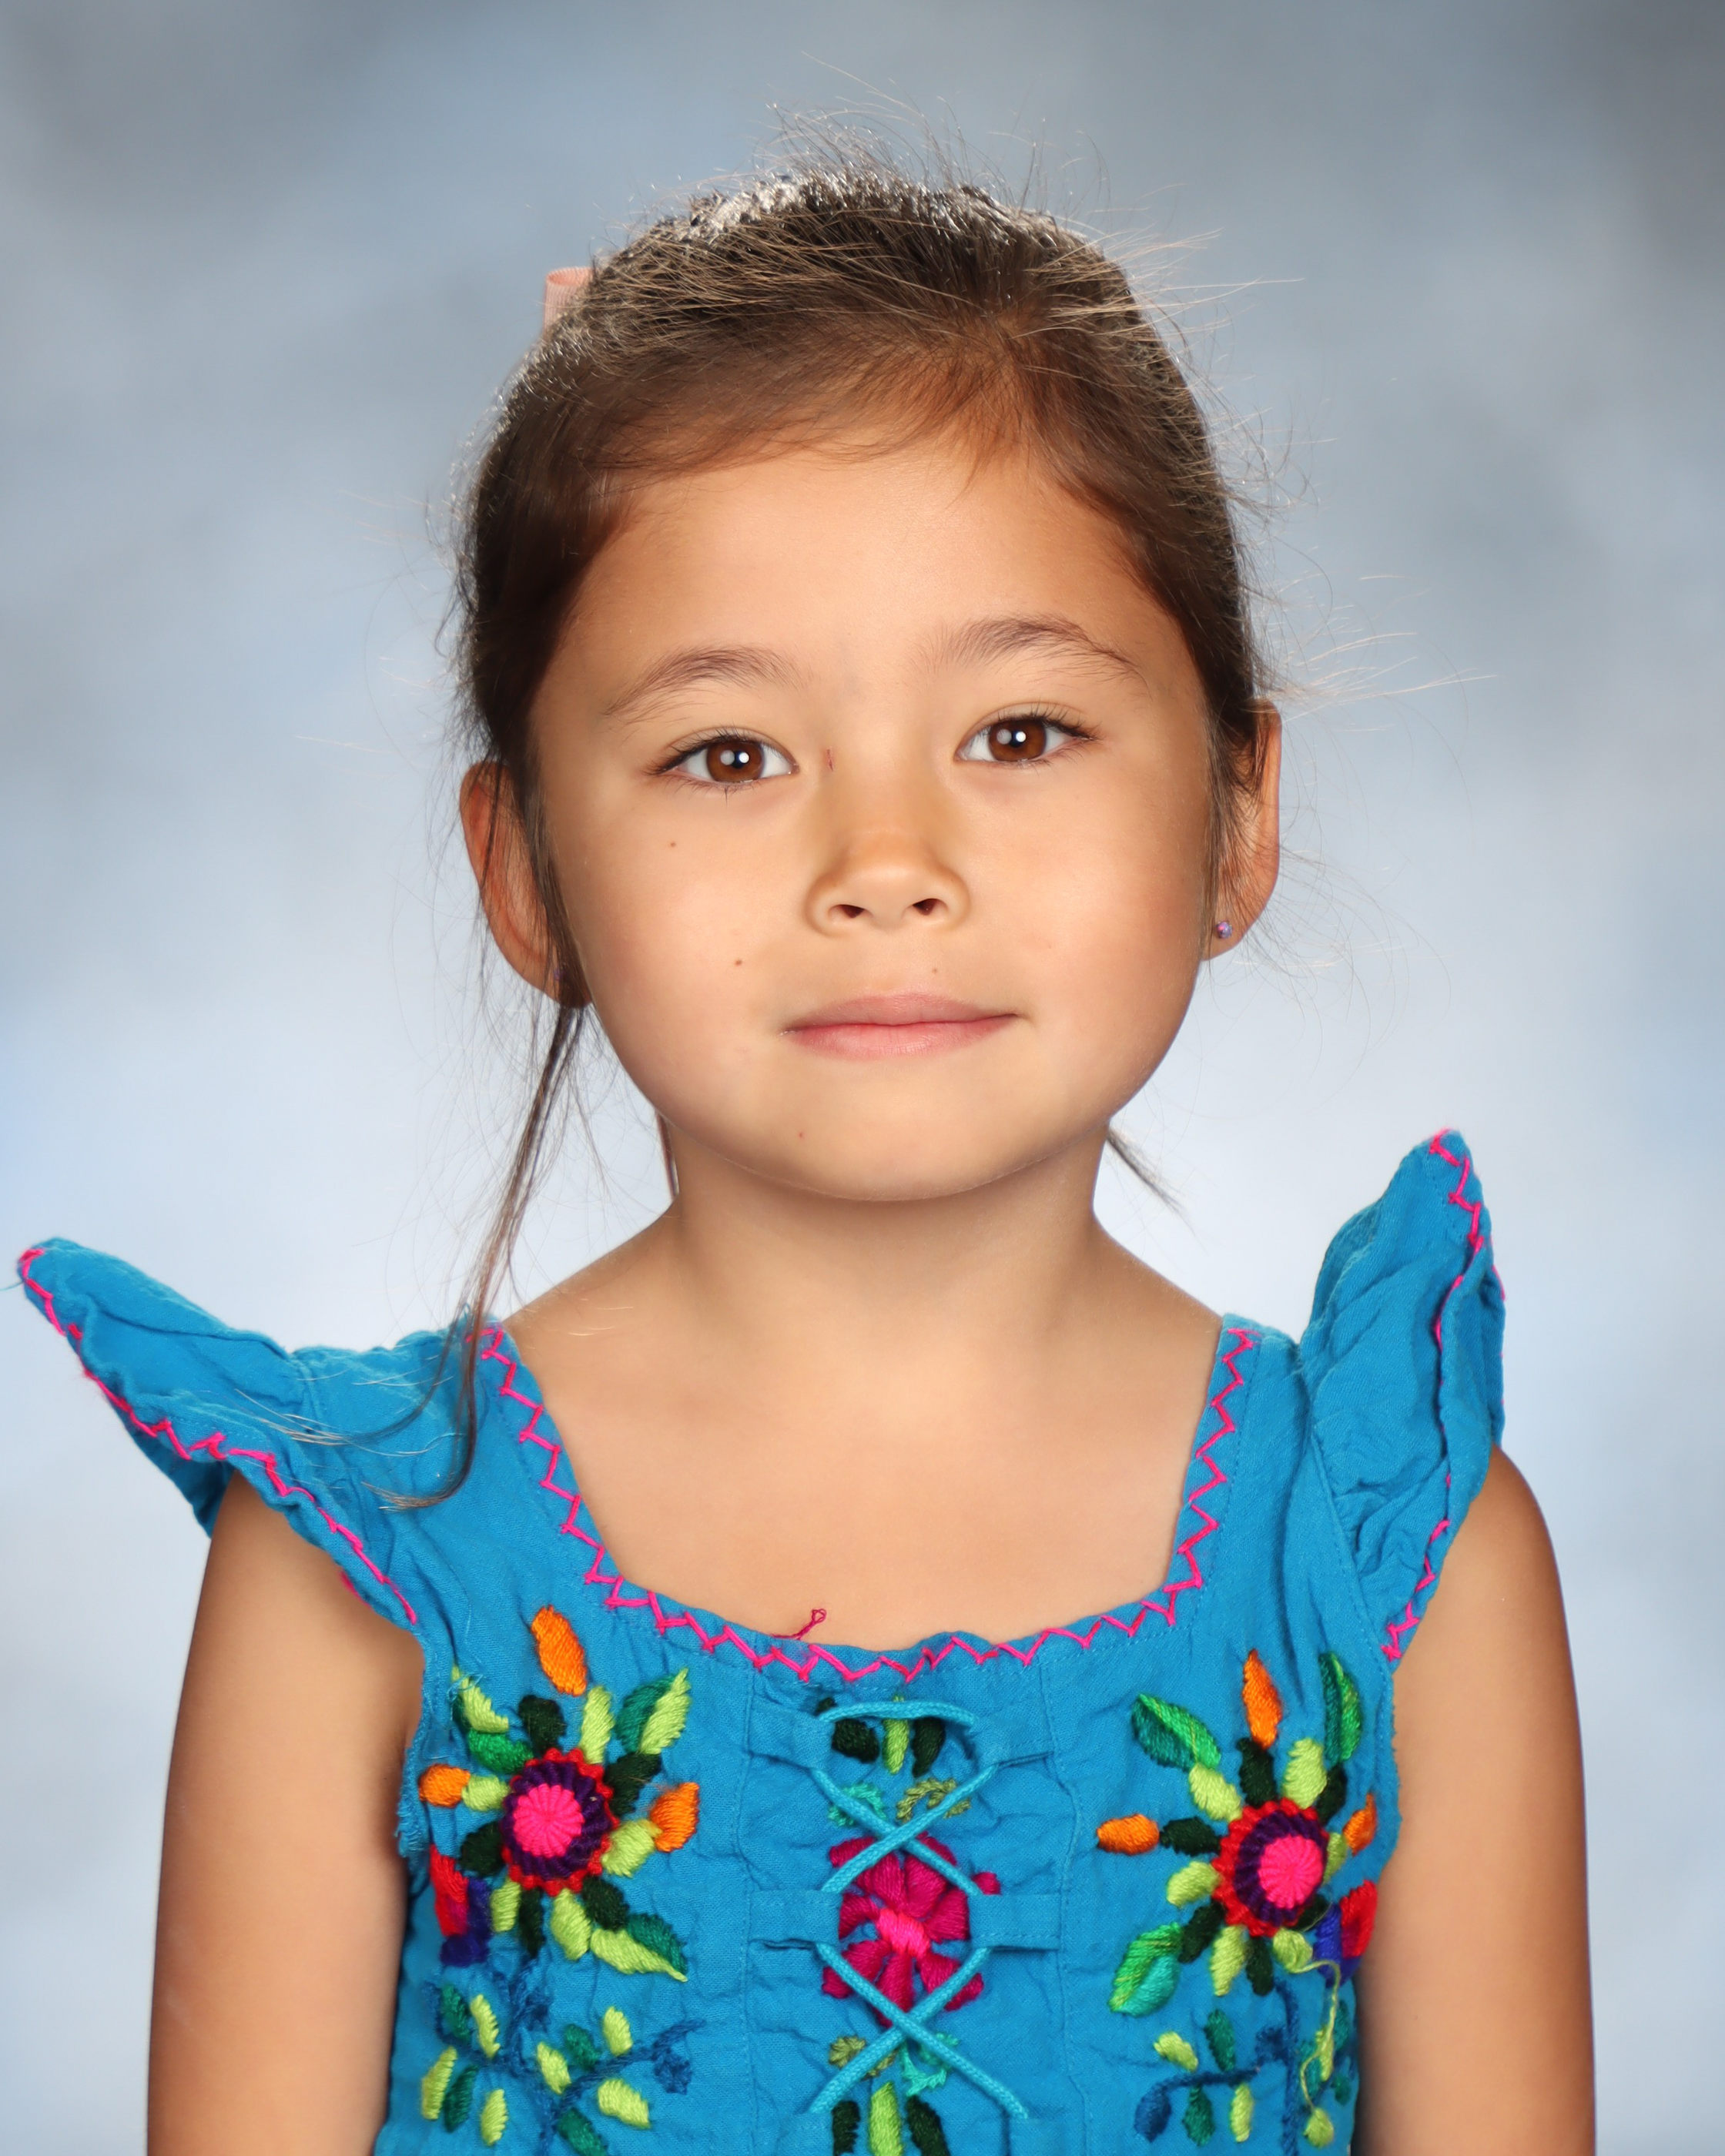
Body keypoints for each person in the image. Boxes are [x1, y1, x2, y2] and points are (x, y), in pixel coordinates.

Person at [18, 153, 1592, 2155]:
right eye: (729, 754)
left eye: (1020, 732)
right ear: (527, 872)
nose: (886, 863)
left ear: (1239, 809)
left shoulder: (1401, 1568)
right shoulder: (360, 1563)